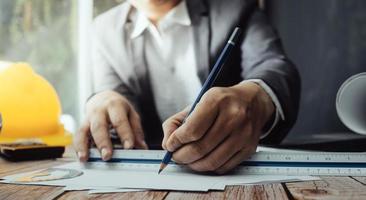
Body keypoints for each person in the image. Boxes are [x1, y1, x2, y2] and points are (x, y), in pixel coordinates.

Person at [74, 0, 300, 174]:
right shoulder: (103, 29)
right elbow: (115, 97)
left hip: (233, 170)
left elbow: (275, 67)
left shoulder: (236, 7)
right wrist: (103, 100)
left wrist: (256, 98)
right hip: (155, 177)